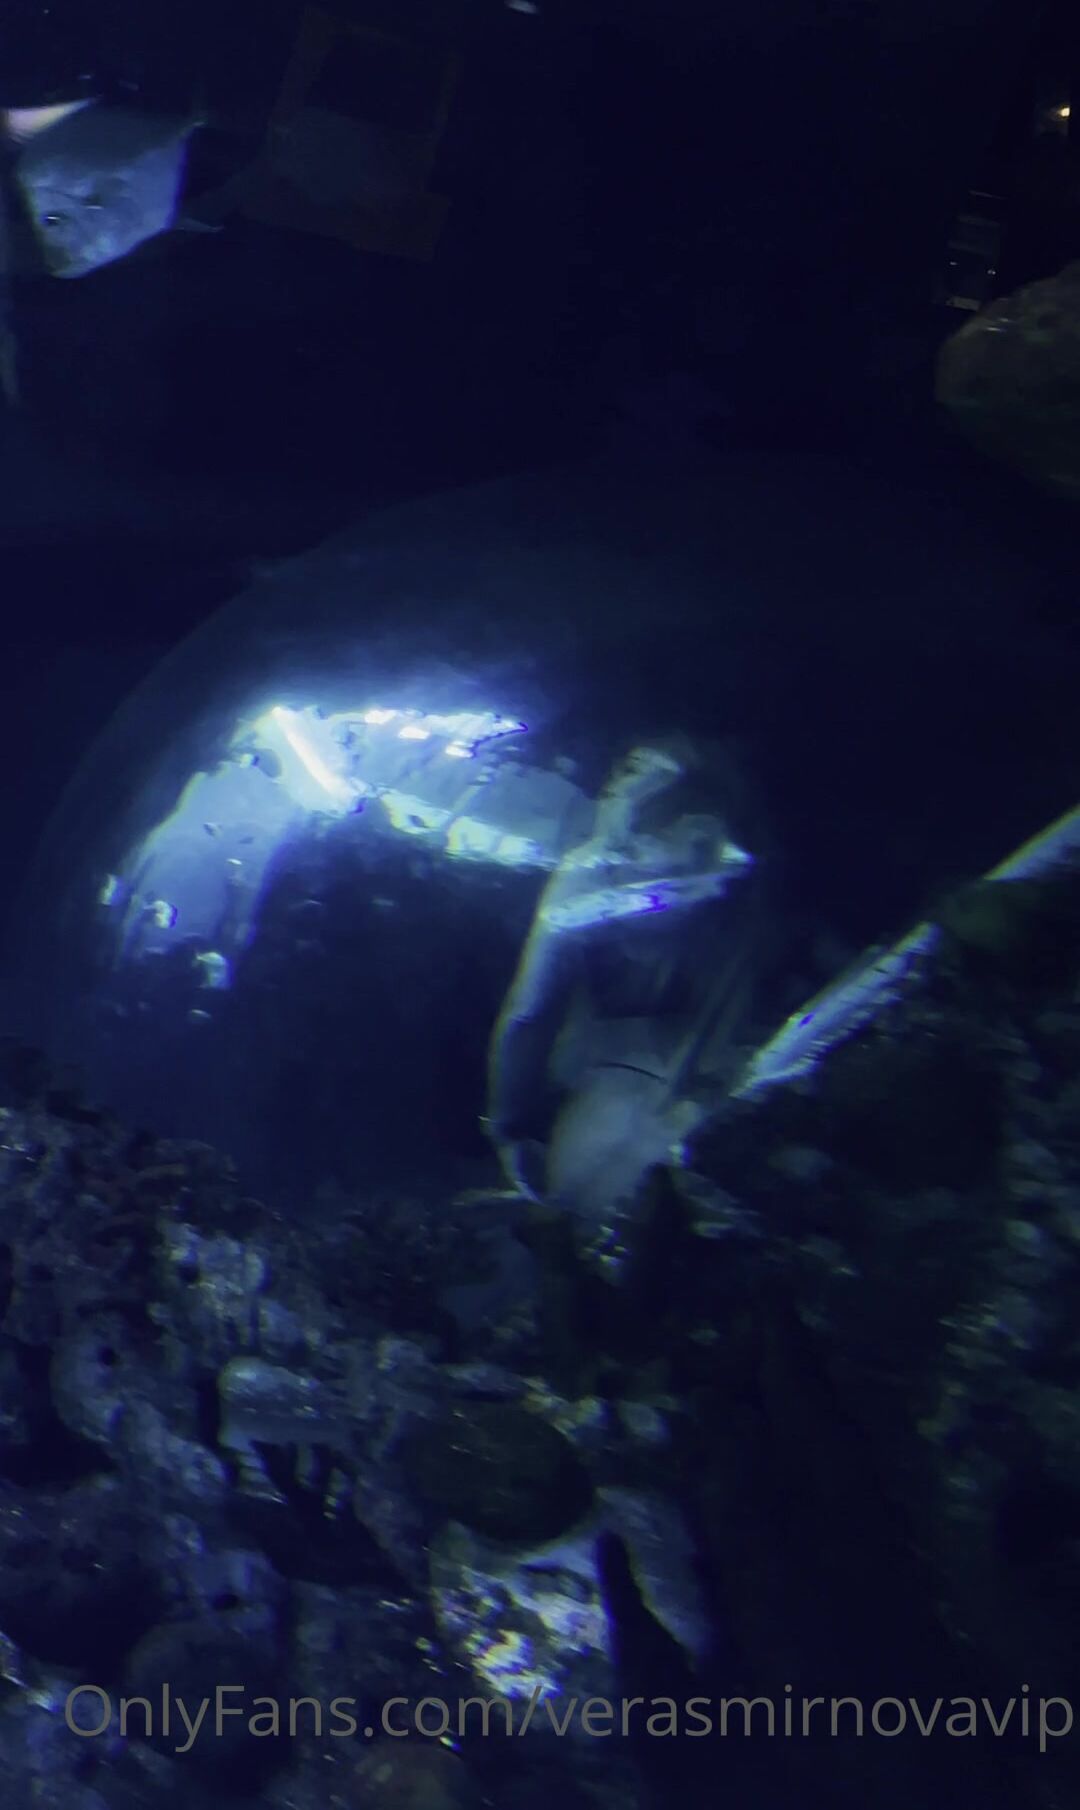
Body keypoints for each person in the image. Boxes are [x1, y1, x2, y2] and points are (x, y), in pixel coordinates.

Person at [484, 741, 754, 1209]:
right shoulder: (584, 882)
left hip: (677, 1073)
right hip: (636, 1071)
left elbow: (530, 1014)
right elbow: (530, 1015)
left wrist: (511, 1127)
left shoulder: (733, 892)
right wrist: (510, 1125)